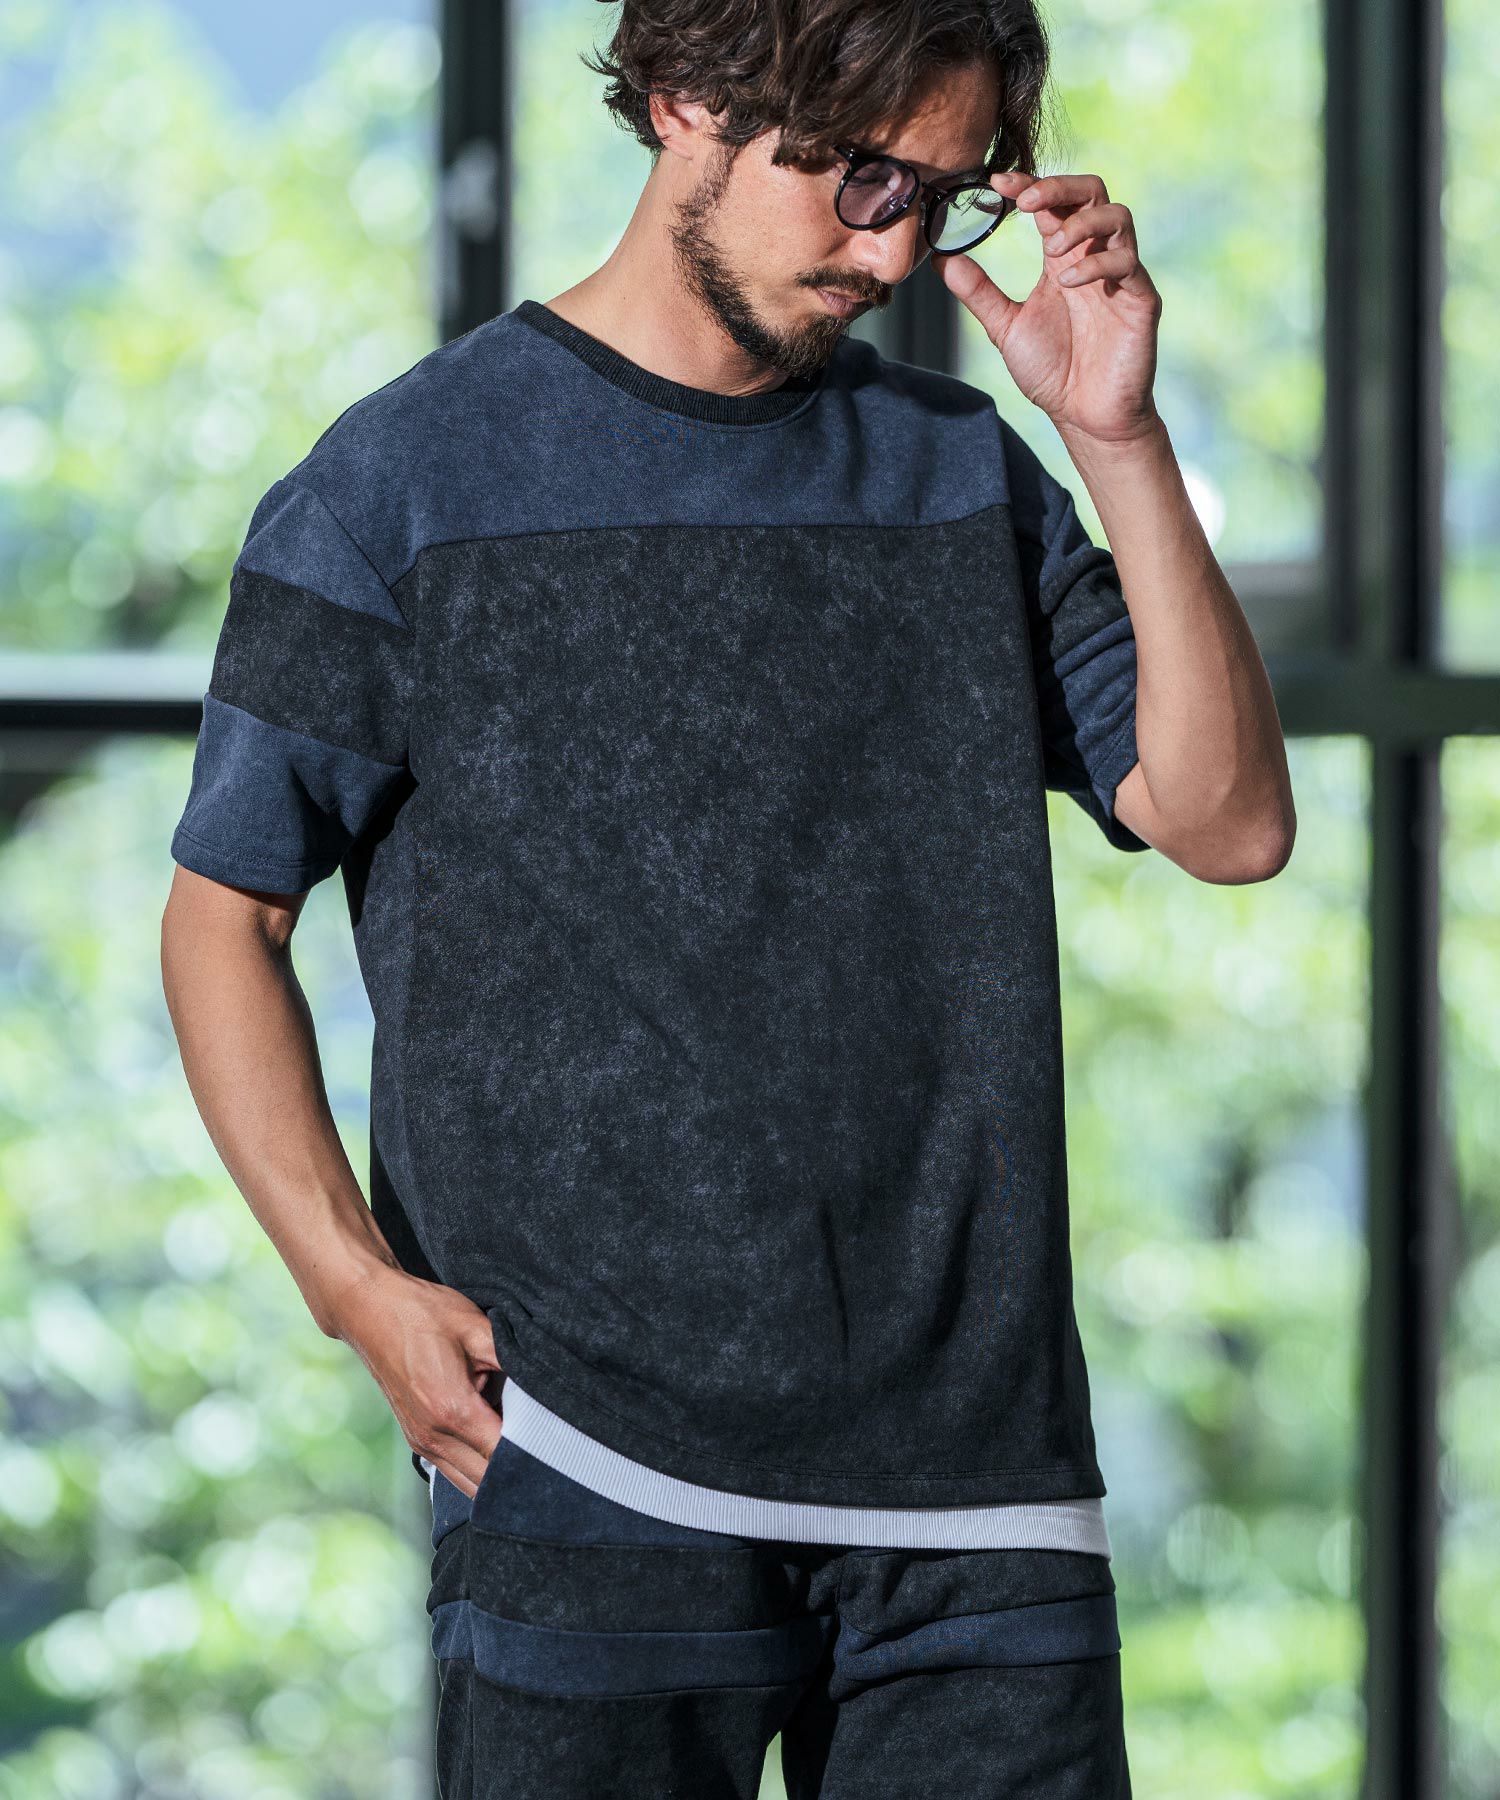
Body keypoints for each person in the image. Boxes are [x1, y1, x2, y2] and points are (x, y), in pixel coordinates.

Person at [159, 1, 1294, 1793]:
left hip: (977, 1488)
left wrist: (1119, 438)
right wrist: (352, 1289)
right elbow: (225, 913)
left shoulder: (960, 470)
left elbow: (1226, 820)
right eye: (859, 179)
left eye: (941, 197)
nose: (895, 252)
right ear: (686, 98)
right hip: (583, 1458)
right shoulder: (403, 483)